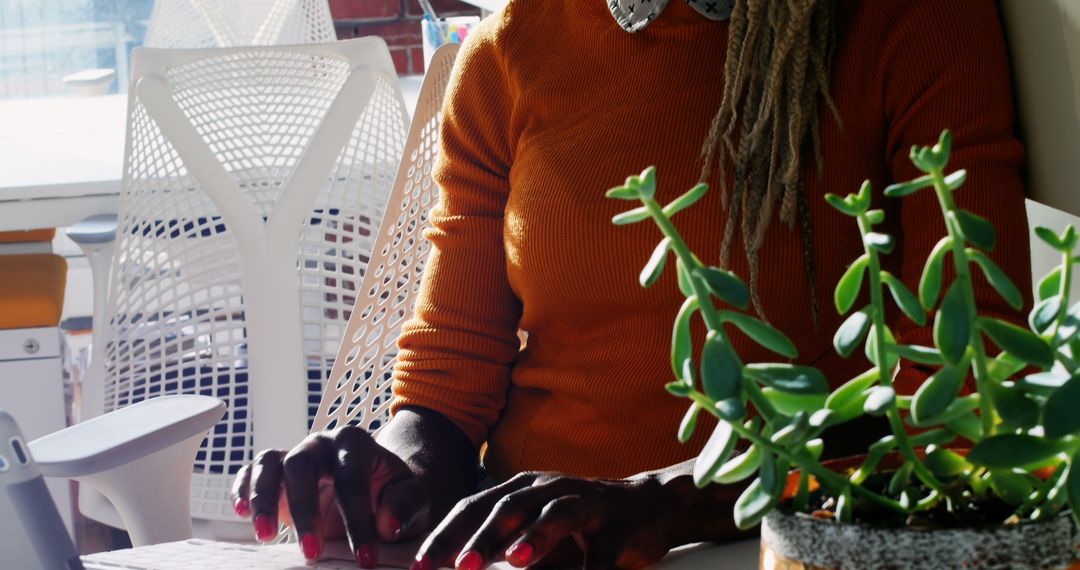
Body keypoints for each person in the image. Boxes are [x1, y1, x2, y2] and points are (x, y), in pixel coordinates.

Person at [231, 0, 1032, 568]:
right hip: (527, 547)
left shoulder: (909, 20)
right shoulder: (506, 53)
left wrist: (664, 504)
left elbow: (963, 403)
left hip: (768, 547)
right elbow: (446, 380)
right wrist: (391, 474)